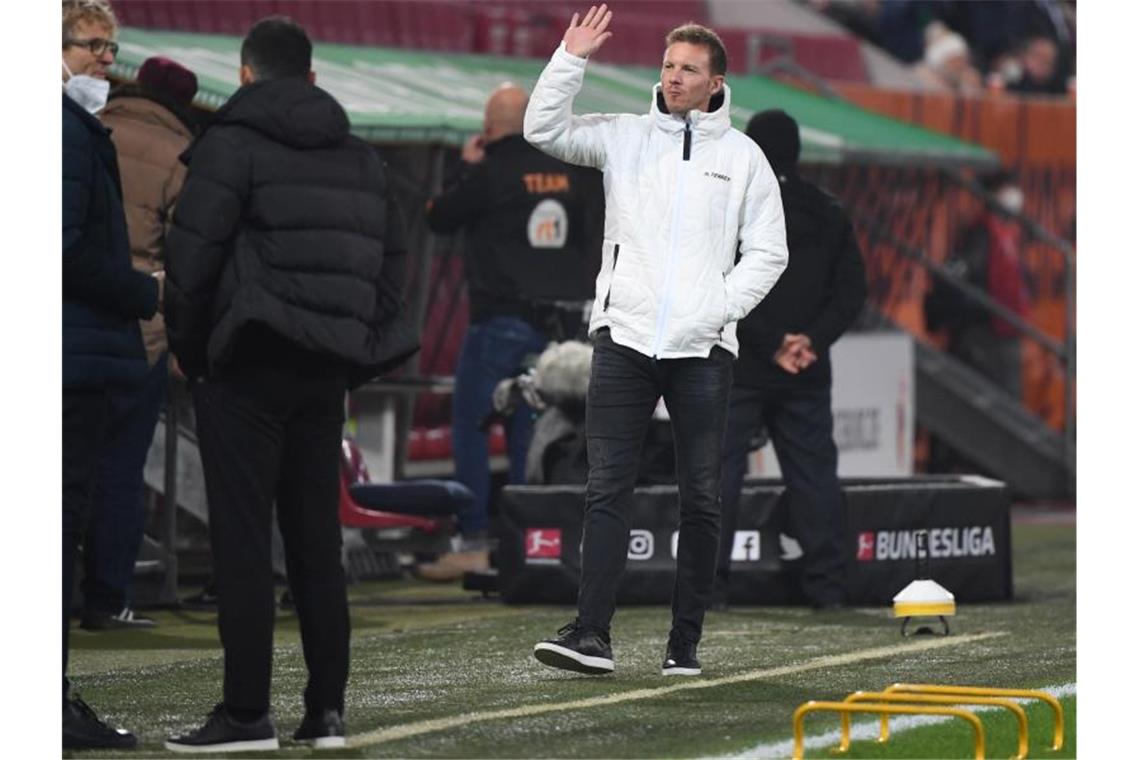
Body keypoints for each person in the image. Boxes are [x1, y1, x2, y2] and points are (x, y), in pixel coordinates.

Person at [163, 16, 417, 752]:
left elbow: (192, 263)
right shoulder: (364, 160)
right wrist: (354, 355)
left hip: (245, 366)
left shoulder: (228, 146)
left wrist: (194, 351)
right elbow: (389, 273)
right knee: (316, 542)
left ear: (245, 75)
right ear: (311, 78)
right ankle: (327, 713)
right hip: (325, 374)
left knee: (244, 544)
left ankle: (245, 716)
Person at [525, 5, 789, 677]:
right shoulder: (624, 136)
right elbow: (542, 128)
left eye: (688, 69)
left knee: (700, 495)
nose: (674, 77)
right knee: (606, 486)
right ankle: (591, 635)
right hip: (626, 339)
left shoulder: (745, 158)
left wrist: (716, 310)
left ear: (716, 80)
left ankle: (685, 644)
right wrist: (570, 57)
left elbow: (769, 253)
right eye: (668, 66)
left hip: (704, 351)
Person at [422, 83, 604, 581]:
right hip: (558, 329)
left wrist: (467, 166)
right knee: (532, 434)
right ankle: (533, 541)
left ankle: (474, 541)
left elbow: (438, 218)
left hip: (499, 325)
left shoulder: (489, 173)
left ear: (488, 129)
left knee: (474, 429)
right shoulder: (570, 172)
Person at [716, 110, 867, 611]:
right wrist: (809, 342)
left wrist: (770, 342)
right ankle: (827, 588)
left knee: (717, 477)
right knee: (814, 479)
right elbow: (851, 293)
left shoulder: (736, 209)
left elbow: (722, 286)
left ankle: (706, 589)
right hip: (806, 370)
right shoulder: (828, 211)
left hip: (743, 366)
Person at [62, 0, 160, 748]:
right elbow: (62, 252)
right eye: (95, 44)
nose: (106, 59)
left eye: (112, 45)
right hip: (74, 351)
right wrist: (144, 291)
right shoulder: (63, 131)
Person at [80, 56, 199, 632]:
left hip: (73, 318)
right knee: (121, 471)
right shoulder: (180, 155)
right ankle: (108, 597)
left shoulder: (88, 123)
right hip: (141, 329)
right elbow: (184, 258)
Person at [924, 170, 1029, 400]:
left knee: (1011, 411)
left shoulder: (1006, 233)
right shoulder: (981, 234)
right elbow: (955, 273)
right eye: (1005, 188)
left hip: (1005, 334)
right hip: (984, 338)